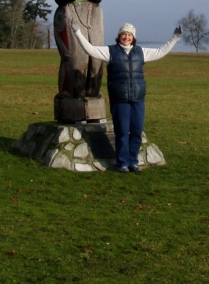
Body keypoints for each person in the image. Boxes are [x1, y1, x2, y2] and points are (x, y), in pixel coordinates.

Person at [72, 22, 182, 172]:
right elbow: (90, 49)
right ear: (119, 36)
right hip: (120, 99)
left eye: (129, 35)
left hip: (138, 99)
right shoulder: (110, 51)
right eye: (124, 34)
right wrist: (77, 32)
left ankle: (133, 162)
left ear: (133, 37)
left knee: (136, 131)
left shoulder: (140, 52)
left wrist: (175, 38)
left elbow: (161, 51)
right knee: (122, 132)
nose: (127, 37)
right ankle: (122, 163)